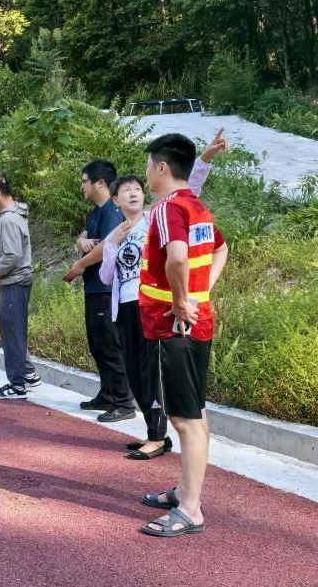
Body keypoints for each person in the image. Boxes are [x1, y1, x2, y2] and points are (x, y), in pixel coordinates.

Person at [98, 129, 226, 460]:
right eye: (125, 191)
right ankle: (161, 447)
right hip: (131, 307)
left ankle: (158, 437)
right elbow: (106, 274)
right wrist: (109, 244)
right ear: (115, 201)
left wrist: (185, 298)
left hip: (165, 313)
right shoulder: (127, 228)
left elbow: (187, 189)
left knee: (166, 390)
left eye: (136, 187)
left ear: (158, 171)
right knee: (138, 373)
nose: (133, 191)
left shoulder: (161, 214)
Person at [137, 133, 228, 537]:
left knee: (184, 419)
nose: (145, 175)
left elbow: (176, 258)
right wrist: (198, 293)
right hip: (196, 322)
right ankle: (186, 492)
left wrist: (179, 299)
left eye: (147, 166)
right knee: (196, 412)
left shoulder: (167, 210)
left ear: (160, 167)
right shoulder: (197, 207)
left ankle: (191, 509)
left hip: (173, 326)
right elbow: (221, 249)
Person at [63, 159, 135, 422]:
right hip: (94, 289)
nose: (81, 186)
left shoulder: (112, 212)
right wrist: (82, 241)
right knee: (97, 344)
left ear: (100, 182)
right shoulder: (96, 212)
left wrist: (80, 264)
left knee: (110, 345)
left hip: (106, 289)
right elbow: (84, 237)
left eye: (84, 181)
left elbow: (106, 247)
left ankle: (123, 402)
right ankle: (106, 394)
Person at [0, 173, 42, 400]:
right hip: (15, 281)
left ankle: (16, 385)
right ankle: (28, 374)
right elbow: (11, 254)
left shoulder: (9, 219)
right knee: (13, 331)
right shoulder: (12, 216)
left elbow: (12, 256)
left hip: (14, 283)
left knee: (12, 333)